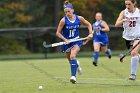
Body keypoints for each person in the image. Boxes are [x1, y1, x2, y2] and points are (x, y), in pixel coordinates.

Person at [56, 0, 93, 84]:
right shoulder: (63, 21)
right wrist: (65, 40)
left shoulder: (79, 18)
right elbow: (57, 33)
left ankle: (73, 77)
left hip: (77, 41)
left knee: (72, 56)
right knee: (70, 60)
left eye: (69, 11)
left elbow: (89, 25)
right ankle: (77, 65)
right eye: (66, 12)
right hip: (67, 43)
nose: (67, 13)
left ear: (72, 10)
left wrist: (90, 33)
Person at [115, 0, 140, 80]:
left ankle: (133, 75)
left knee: (134, 52)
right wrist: (123, 20)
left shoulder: (138, 12)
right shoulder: (124, 12)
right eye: (126, 4)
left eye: (129, 4)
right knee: (135, 55)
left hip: (137, 36)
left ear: (134, 3)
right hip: (128, 37)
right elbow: (116, 24)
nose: (127, 6)